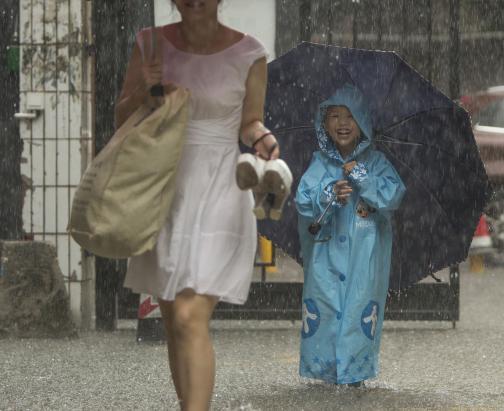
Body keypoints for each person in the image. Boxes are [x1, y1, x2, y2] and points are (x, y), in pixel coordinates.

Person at [115, 1, 279, 409]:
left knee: (190, 316)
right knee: (174, 320)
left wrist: (262, 138)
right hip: (165, 185)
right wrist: (145, 90)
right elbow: (122, 117)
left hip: (223, 183)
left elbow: (249, 121)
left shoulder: (250, 53)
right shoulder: (150, 44)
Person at [295, 84, 406, 387]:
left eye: (351, 116)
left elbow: (392, 196)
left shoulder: (377, 163)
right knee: (326, 309)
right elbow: (303, 202)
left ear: (363, 123)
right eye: (334, 116)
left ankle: (353, 374)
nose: (343, 123)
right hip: (325, 260)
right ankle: (327, 372)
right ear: (324, 123)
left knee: (358, 308)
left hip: (364, 257)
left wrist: (362, 178)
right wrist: (329, 195)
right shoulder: (319, 163)